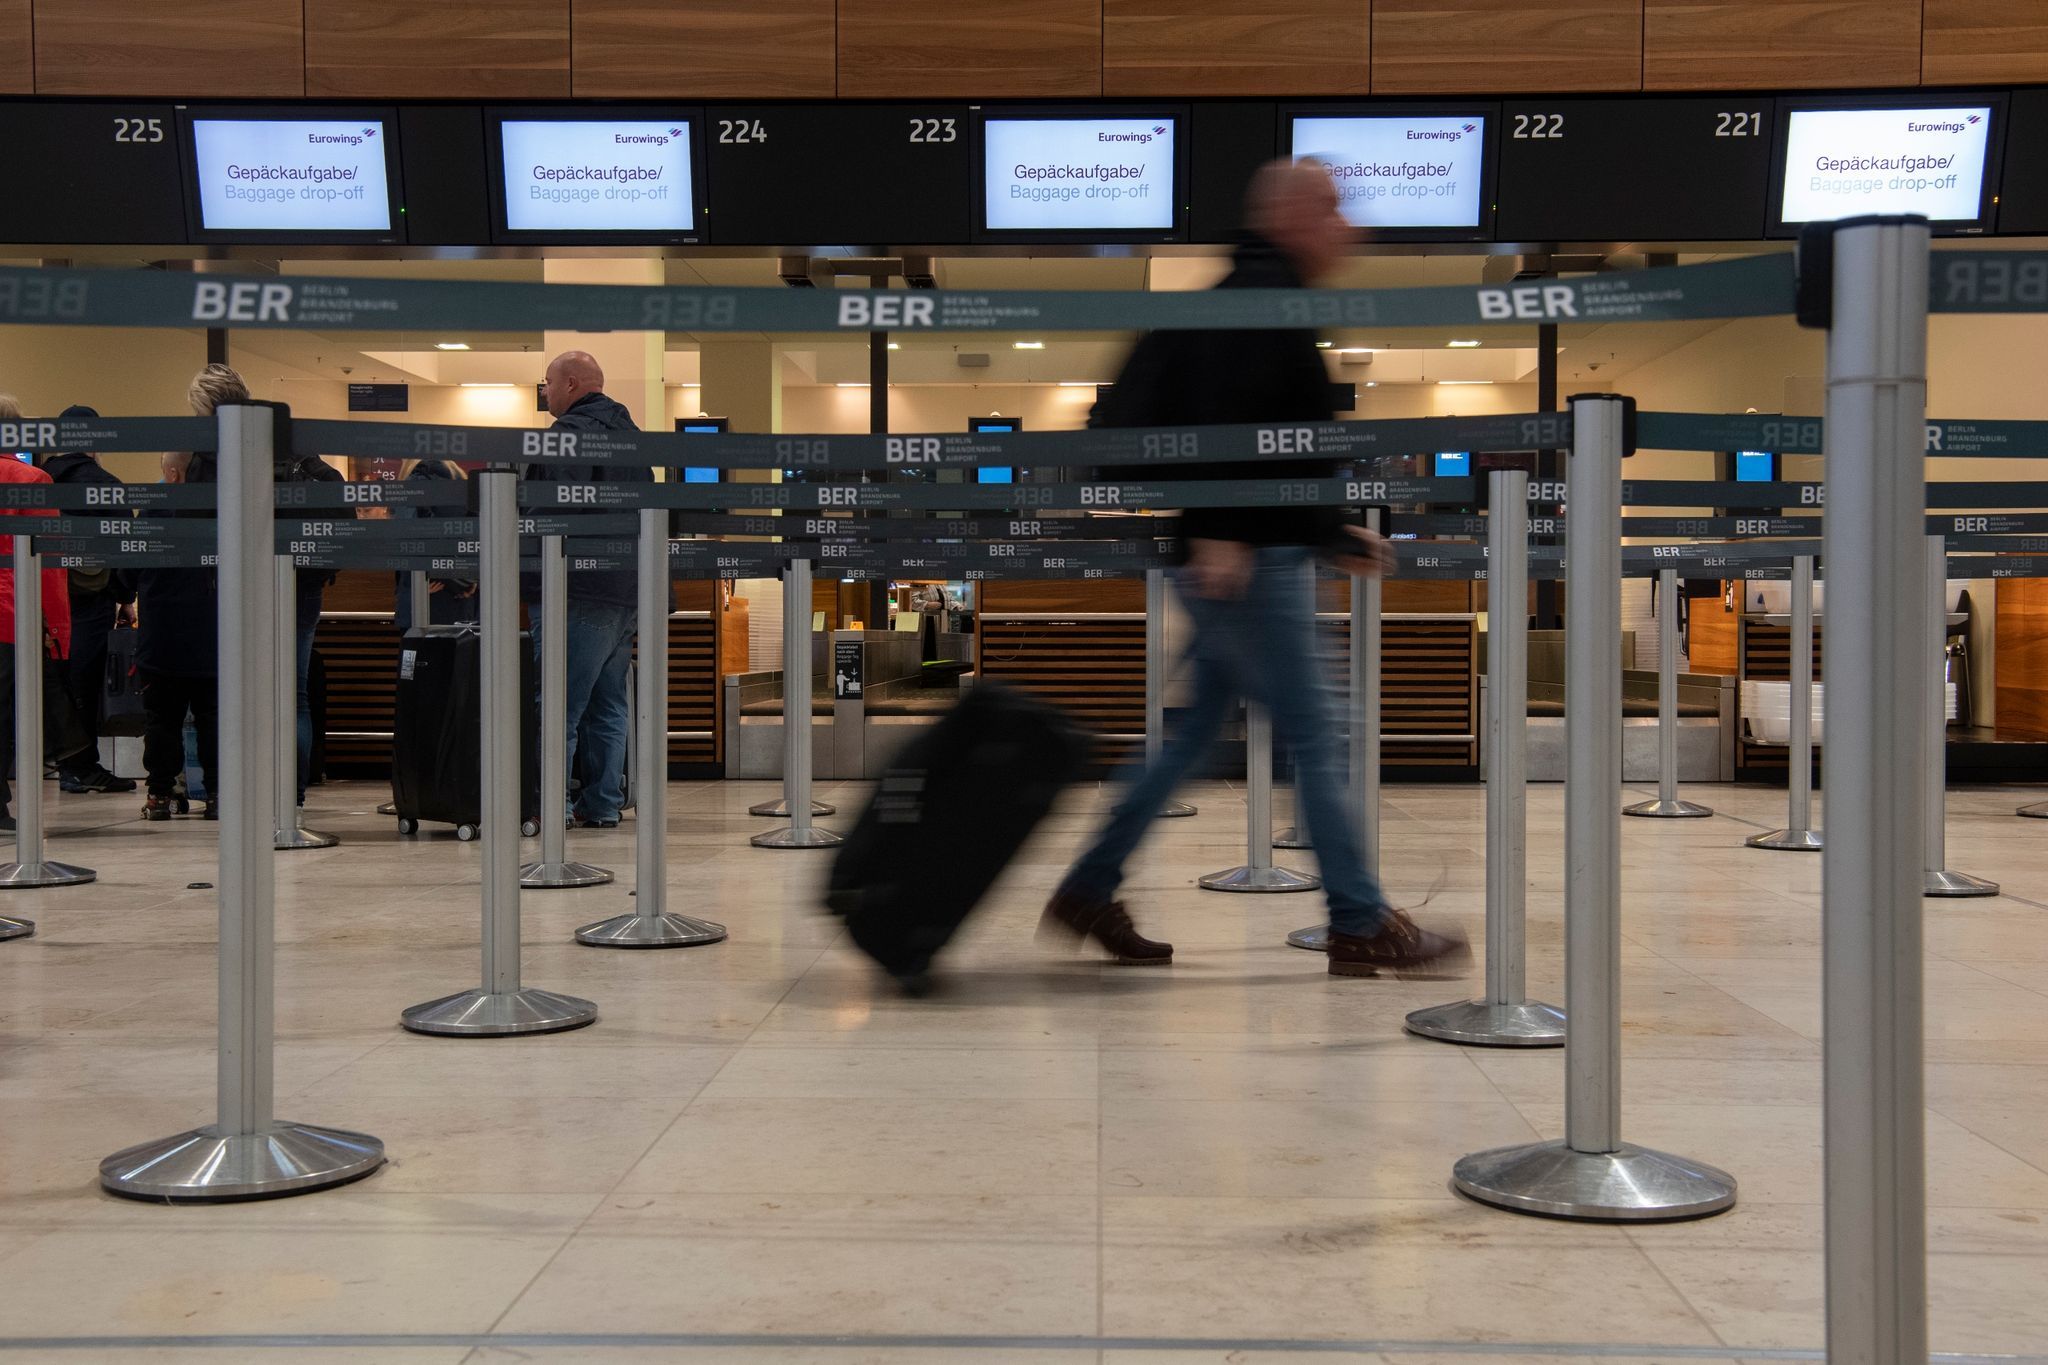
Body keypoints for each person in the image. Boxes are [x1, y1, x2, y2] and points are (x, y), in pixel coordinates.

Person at [1040, 159, 1470, 979]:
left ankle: (1088, 887)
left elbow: (1276, 442)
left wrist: (1327, 529)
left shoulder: (1265, 297)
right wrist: (1223, 527)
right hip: (1247, 557)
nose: (1349, 226)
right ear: (1291, 215)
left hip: (1253, 544)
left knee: (1194, 732)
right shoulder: (1258, 299)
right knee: (1316, 731)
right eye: (1333, 209)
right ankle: (1360, 919)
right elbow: (1226, 422)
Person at [523, 351, 654, 829]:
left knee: (559, 705)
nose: (544, 392)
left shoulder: (569, 435)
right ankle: (601, 803)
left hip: (575, 588)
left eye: (547, 382)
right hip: (625, 589)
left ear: (571, 384)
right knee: (609, 704)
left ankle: (552, 806)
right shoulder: (631, 436)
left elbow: (553, 512)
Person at [129, 375, 228, 820]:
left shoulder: (153, 507)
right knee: (213, 719)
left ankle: (160, 795)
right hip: (211, 634)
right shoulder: (222, 507)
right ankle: (219, 794)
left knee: (161, 721)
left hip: (162, 637)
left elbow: (127, 570)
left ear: (171, 472)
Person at [0, 397, 91, 831]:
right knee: (5, 714)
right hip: (9, 615)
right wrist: (58, 631)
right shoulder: (32, 480)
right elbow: (48, 564)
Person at [39, 406, 138, 795]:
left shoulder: (40, 479)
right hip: (89, 599)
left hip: (40, 598)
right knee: (84, 680)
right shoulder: (105, 484)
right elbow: (126, 547)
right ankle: (81, 766)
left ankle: (57, 761)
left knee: (48, 679)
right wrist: (125, 597)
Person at [391, 458, 475, 632]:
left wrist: (419, 585)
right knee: (456, 645)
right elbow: (476, 534)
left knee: (418, 646)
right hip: (460, 595)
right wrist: (467, 580)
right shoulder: (460, 480)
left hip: (427, 591)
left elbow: (414, 536)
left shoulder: (415, 482)